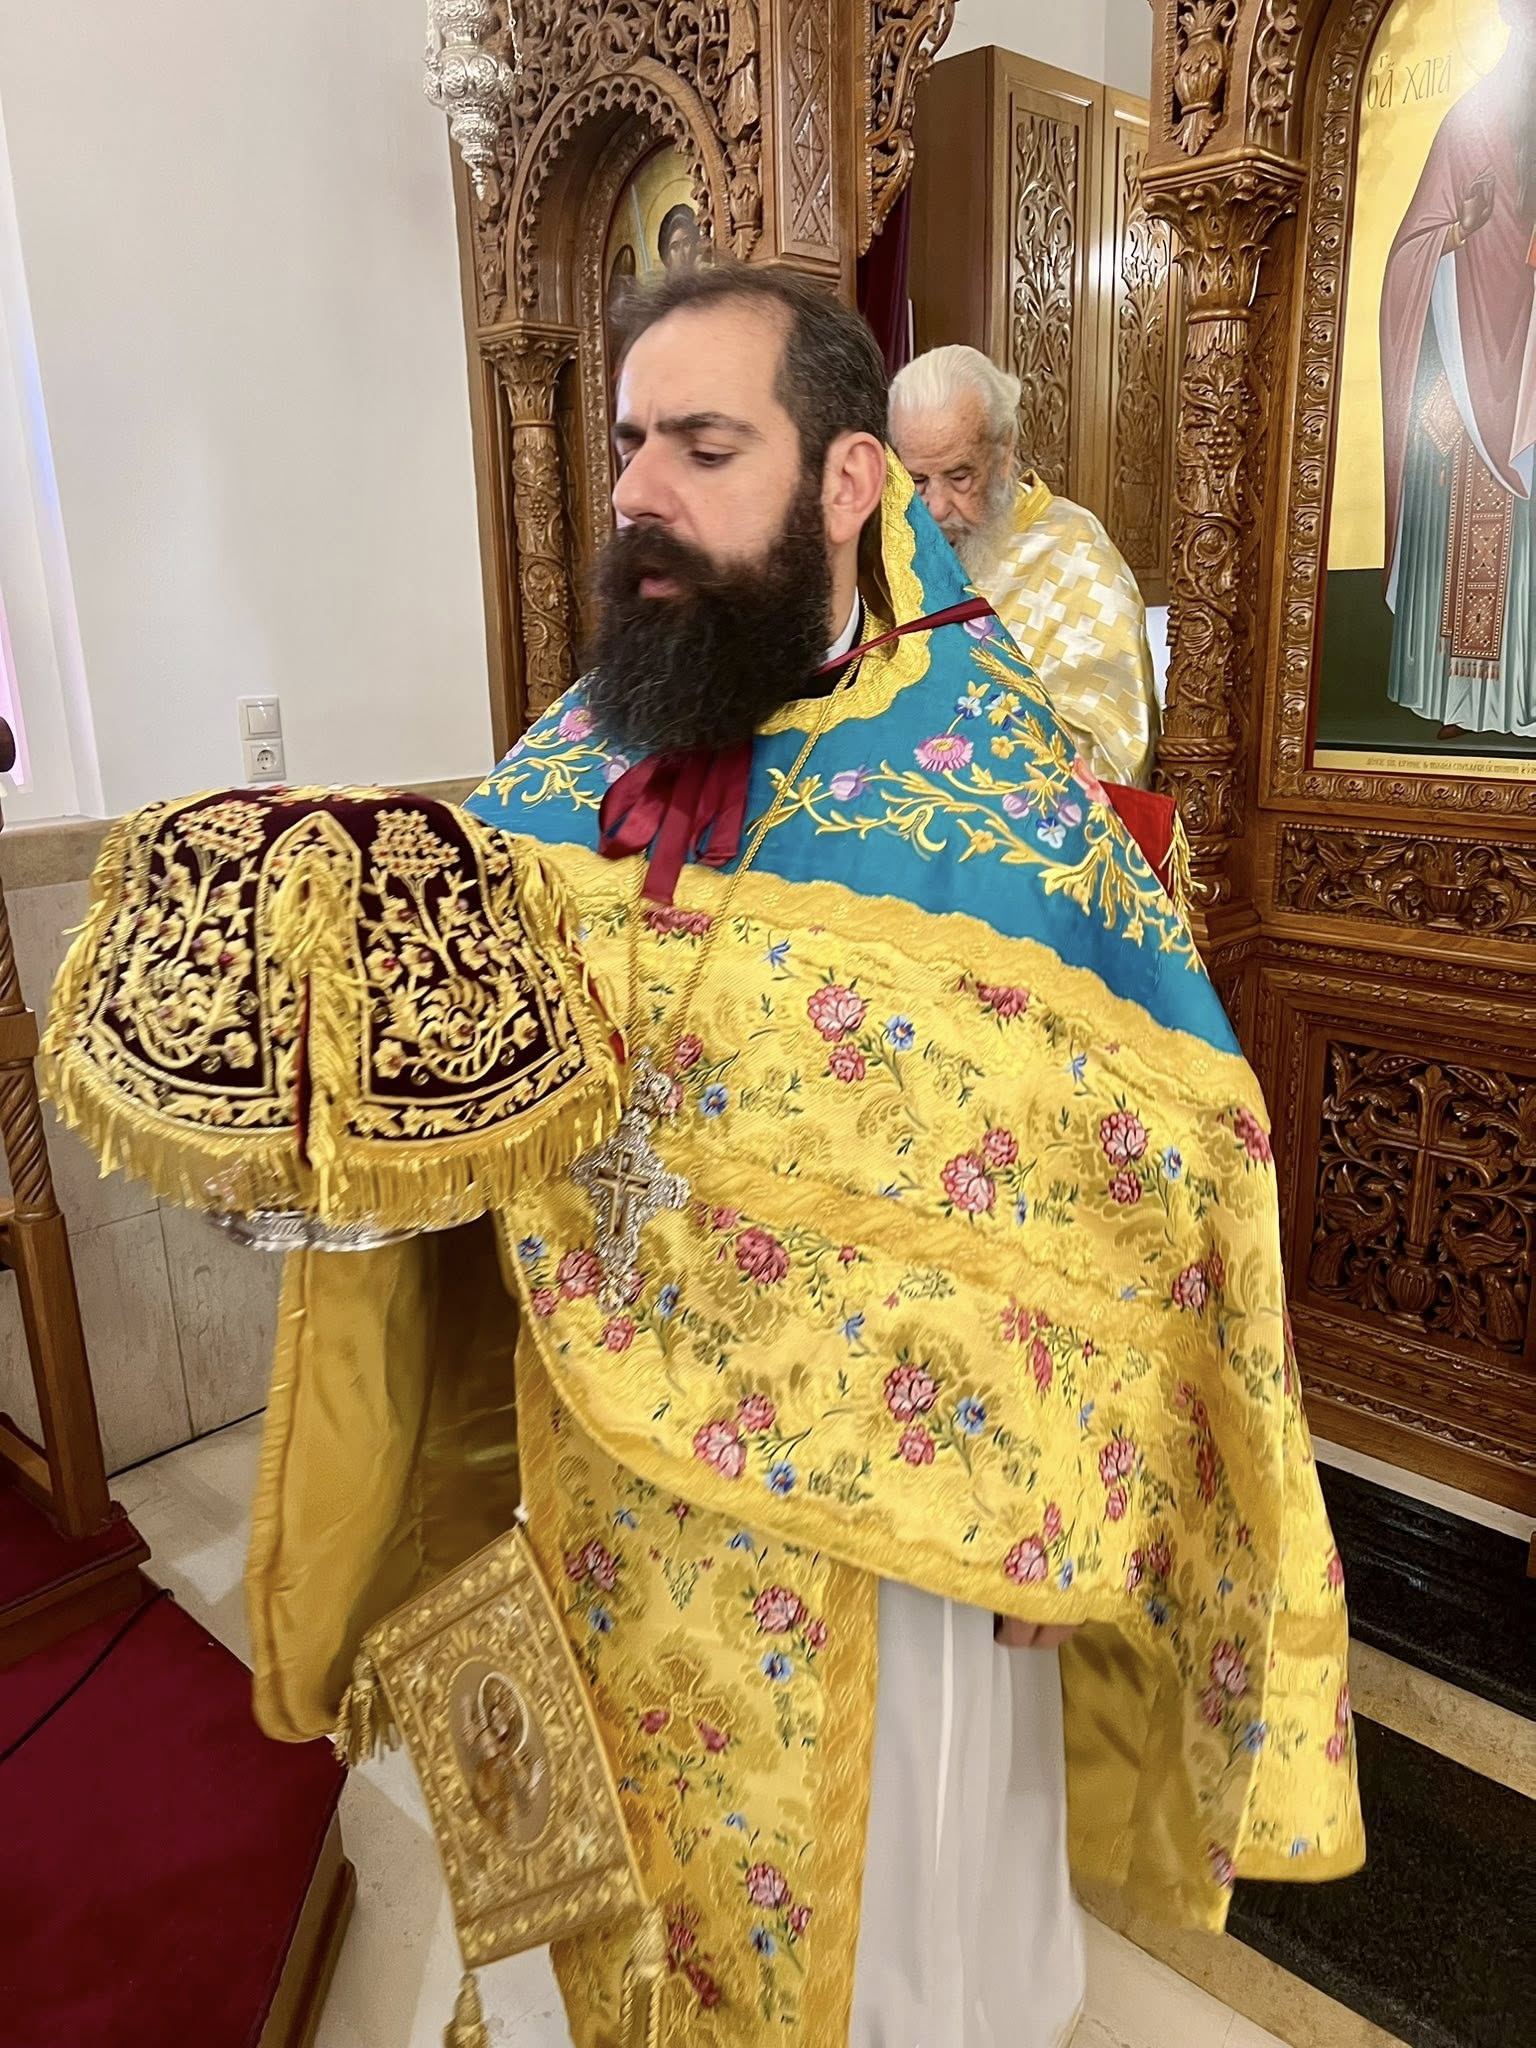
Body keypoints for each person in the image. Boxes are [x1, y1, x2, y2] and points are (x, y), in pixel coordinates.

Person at [233, 265, 1359, 2047]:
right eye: (630, 444)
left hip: (888, 1533)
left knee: (882, 1955)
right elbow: (454, 1053)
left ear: (847, 481)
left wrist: (1070, 1498)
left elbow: (1157, 1156)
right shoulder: (578, 750)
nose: (637, 492)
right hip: (594, 1476)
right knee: (608, 1904)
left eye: (703, 446)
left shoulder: (993, 790)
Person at [890, 343, 1160, 786]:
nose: (935, 507)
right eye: (916, 480)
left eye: (959, 477)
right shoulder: (887, 545)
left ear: (1004, 455)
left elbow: (1111, 757)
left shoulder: (1077, 556)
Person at [1379, 0, 1536, 741]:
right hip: (1465, 363)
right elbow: (1408, 250)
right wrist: (1457, 234)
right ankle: (1466, 704)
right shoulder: (1468, 123)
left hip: (1531, 357)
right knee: (1466, 504)